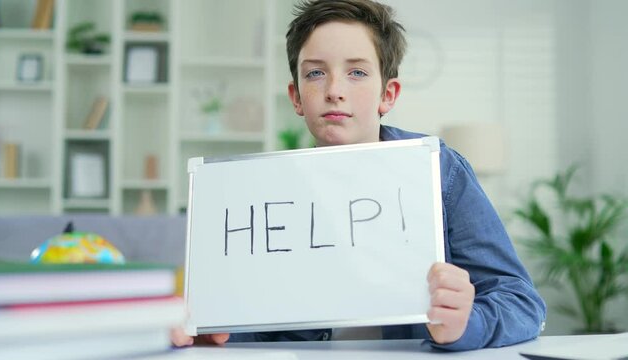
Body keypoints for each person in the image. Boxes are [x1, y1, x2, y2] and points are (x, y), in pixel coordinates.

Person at [172, 0, 546, 351]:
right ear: (297, 97)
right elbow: (260, 328)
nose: (334, 91)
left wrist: (466, 324)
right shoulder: (262, 193)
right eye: (315, 73)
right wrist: (218, 335)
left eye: (357, 72)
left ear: (388, 94)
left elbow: (522, 302)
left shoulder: (440, 171)